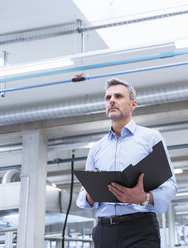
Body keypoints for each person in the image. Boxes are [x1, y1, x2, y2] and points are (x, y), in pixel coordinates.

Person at [76, 78, 178, 248]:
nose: (112, 101)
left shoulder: (151, 138)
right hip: (104, 231)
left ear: (133, 105)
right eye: (108, 98)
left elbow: (170, 186)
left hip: (140, 230)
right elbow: (83, 198)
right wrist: (91, 193)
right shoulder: (96, 148)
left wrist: (144, 198)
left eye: (118, 96)